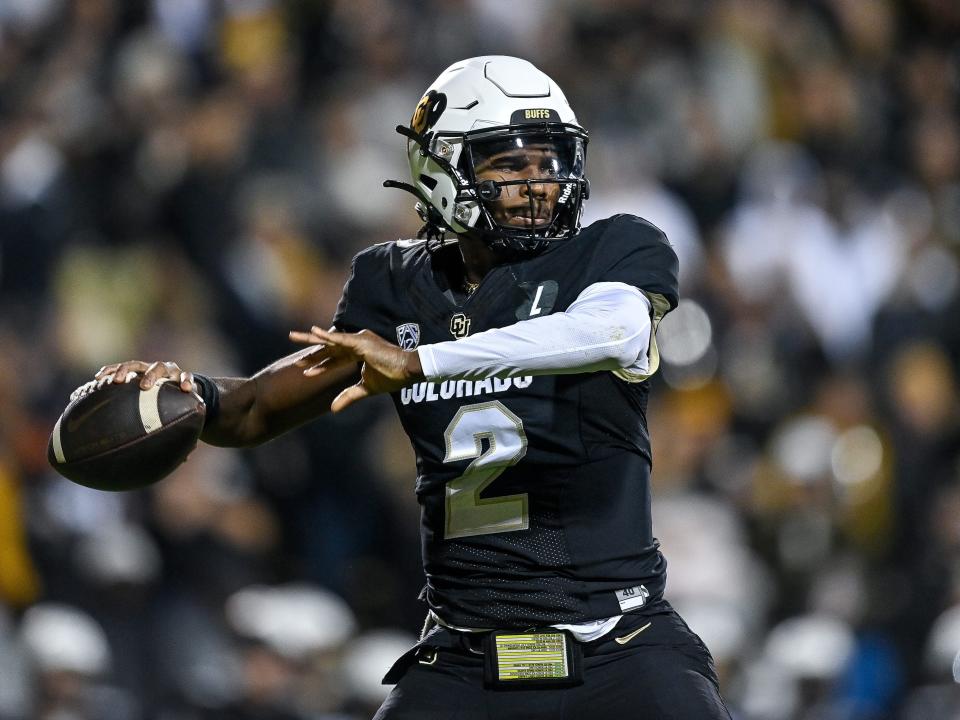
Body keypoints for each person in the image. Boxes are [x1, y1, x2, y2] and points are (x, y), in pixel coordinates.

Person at [96, 56, 731, 719]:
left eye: (548, 163)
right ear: (443, 169)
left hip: (621, 644)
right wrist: (182, 392)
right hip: (466, 655)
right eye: (510, 165)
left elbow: (612, 334)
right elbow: (256, 410)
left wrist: (425, 362)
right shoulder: (394, 286)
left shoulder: (615, 250)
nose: (538, 184)